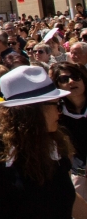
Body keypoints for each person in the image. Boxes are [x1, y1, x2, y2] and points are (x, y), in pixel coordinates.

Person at [0, 65, 87, 219]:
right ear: (33, 111)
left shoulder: (57, 145)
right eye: (56, 105)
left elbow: (67, 196)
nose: (59, 111)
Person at [50, 62, 87, 199]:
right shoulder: (56, 110)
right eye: (64, 80)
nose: (71, 82)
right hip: (75, 169)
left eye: (76, 77)